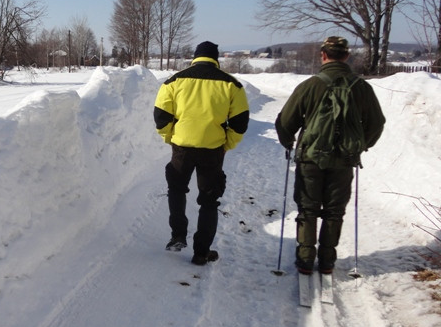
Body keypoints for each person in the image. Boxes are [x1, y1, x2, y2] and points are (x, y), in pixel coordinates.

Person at [275, 36, 385, 276]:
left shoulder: (310, 85)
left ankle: (305, 259)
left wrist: (289, 142)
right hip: (344, 159)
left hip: (311, 158)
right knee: (335, 211)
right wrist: (359, 145)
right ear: (346, 56)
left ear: (323, 55)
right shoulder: (361, 87)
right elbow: (376, 123)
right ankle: (327, 261)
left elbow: (285, 122)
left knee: (308, 209)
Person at [154, 41, 250, 265]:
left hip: (182, 147)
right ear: (216, 59)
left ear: (195, 57)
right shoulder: (231, 84)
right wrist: (227, 143)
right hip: (212, 148)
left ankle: (178, 235)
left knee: (176, 189)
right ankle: (201, 252)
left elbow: (161, 116)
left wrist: (170, 137)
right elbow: (240, 122)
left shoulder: (174, 81)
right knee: (209, 200)